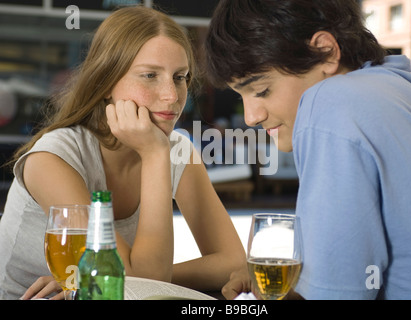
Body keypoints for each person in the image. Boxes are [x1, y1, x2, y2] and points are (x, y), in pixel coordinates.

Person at [205, 0, 411, 300]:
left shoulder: (331, 102)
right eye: (241, 96)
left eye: (261, 90)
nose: (251, 116)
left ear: (325, 51)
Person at [0, 6, 246, 300]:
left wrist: (96, 278)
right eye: (150, 75)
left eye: (180, 77)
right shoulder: (53, 158)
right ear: (106, 83)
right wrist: (155, 153)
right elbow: (144, 280)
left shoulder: (178, 151)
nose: (171, 95)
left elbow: (232, 262)